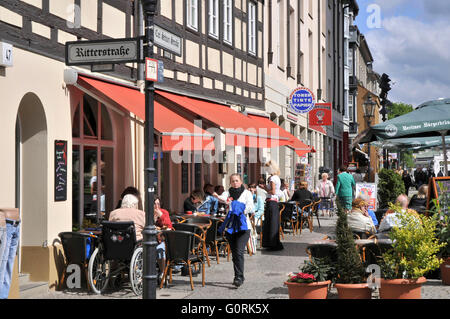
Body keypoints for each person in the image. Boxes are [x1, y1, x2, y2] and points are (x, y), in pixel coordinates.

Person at [218, 174, 254, 287]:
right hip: (231, 227)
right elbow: (222, 199)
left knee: (239, 252)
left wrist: (237, 208)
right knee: (235, 254)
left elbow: (250, 207)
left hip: (243, 226)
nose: (235, 183)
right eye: (233, 181)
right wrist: (217, 196)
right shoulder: (227, 193)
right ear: (230, 183)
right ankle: (238, 275)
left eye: (237, 181)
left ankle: (238, 277)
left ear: (241, 182)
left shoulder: (247, 193)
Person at [260, 160, 284, 251]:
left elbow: (273, 191)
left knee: (270, 223)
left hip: (271, 201)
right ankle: (274, 242)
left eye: (267, 169)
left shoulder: (272, 178)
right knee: (273, 223)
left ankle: (271, 243)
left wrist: (265, 188)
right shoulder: (277, 177)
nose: (266, 170)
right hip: (275, 202)